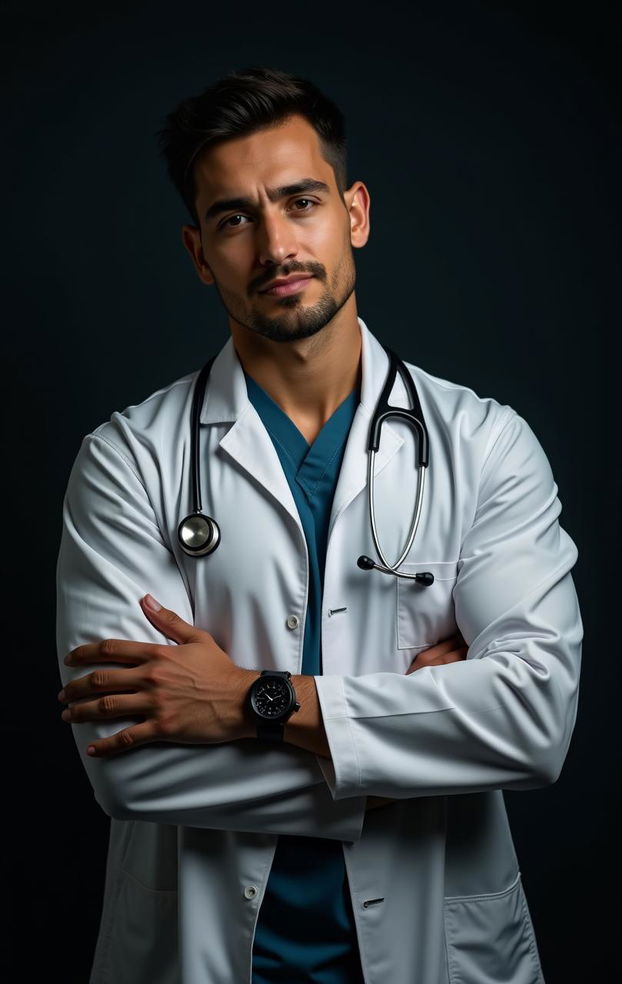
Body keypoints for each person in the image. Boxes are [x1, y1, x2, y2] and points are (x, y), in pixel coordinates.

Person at [55, 65, 583, 984]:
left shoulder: (485, 445)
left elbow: (535, 720)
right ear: (196, 251)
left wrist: (248, 702)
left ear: (355, 214)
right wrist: (416, 747)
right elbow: (130, 771)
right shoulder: (127, 461)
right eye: (233, 218)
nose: (274, 244)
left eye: (300, 201)